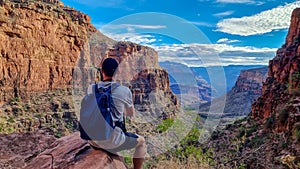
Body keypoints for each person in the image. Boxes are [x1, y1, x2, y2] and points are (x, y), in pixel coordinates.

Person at [87, 58, 146, 169]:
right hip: (112, 142)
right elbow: (130, 113)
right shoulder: (124, 91)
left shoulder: (91, 89)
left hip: (92, 140)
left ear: (102, 71)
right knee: (142, 142)